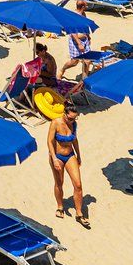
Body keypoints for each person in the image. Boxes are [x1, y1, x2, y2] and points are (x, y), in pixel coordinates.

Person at [46, 95, 87, 227]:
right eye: (70, 118)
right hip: (57, 156)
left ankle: (79, 213)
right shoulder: (56, 122)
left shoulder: (73, 124)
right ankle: (60, 206)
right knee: (59, 183)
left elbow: (74, 139)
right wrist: (54, 159)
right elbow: (49, 142)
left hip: (70, 155)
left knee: (78, 184)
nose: (72, 121)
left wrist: (79, 155)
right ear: (64, 114)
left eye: (74, 118)